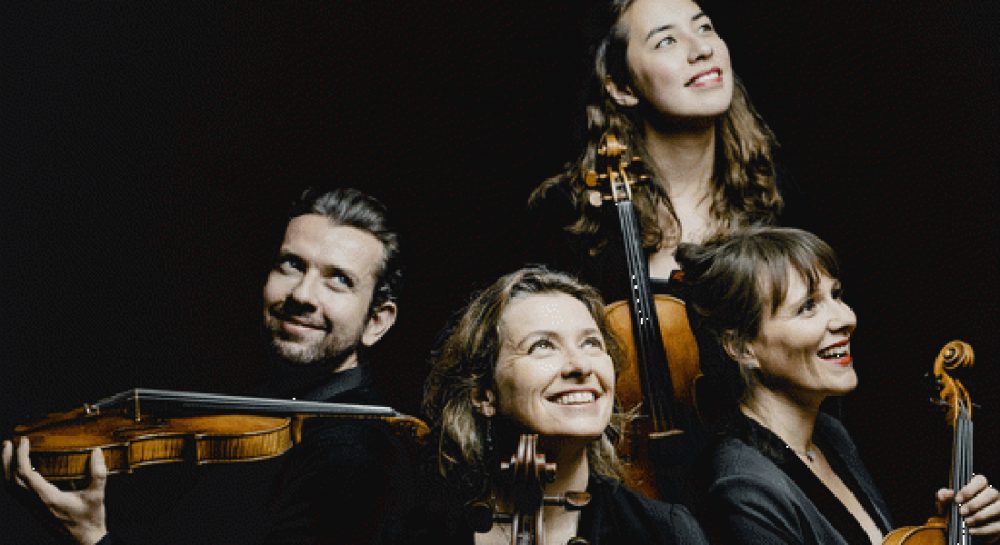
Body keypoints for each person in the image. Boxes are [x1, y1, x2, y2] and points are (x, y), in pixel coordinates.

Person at [3, 187, 418, 545]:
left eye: (338, 280)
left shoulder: (356, 460)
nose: (302, 294)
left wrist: (94, 539)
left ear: (377, 322)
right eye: (291, 264)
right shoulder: (255, 413)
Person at [676, 226, 1000, 544]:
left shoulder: (829, 435)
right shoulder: (743, 489)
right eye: (807, 307)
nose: (846, 318)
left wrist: (945, 532)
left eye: (836, 295)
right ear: (742, 347)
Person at [411, 267, 709, 544]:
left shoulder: (663, 532)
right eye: (542, 346)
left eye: (591, 343)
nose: (580, 366)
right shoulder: (418, 524)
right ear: (483, 394)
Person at [530, 0, 784, 295]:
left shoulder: (775, 193)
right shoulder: (570, 216)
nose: (702, 49)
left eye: (704, 27)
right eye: (666, 41)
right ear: (623, 89)